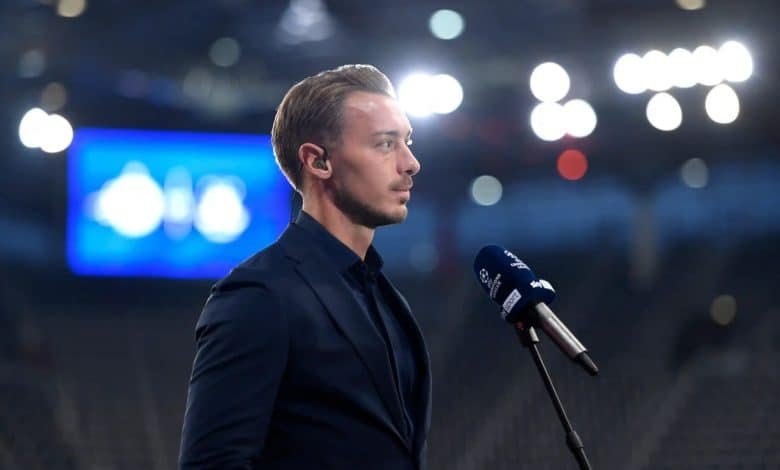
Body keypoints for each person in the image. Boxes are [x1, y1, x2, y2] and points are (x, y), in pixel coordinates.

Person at [179, 64, 431, 469]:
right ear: (318, 161)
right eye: (386, 144)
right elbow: (212, 463)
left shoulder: (388, 298)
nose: (411, 162)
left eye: (407, 141)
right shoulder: (260, 294)